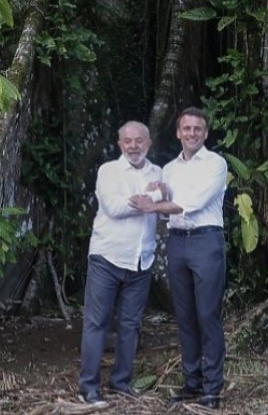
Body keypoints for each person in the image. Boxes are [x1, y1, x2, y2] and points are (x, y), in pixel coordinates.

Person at [129, 107, 228, 409]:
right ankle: (192, 382)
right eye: (187, 128)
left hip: (206, 242)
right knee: (184, 316)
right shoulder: (170, 169)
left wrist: (153, 206)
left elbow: (191, 203)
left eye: (197, 129)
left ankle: (212, 388)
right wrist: (155, 192)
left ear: (206, 133)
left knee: (207, 315)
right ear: (178, 133)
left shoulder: (216, 164)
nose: (192, 133)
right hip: (177, 243)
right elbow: (166, 203)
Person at [78, 121, 164, 407]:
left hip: (141, 261)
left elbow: (164, 210)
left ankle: (121, 382)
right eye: (128, 141)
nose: (133, 146)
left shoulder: (158, 173)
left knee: (130, 325)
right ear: (120, 145)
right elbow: (114, 208)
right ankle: (89, 387)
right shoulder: (108, 171)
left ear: (148, 143)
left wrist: (155, 198)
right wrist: (154, 196)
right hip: (108, 257)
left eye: (139, 141)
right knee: (97, 323)